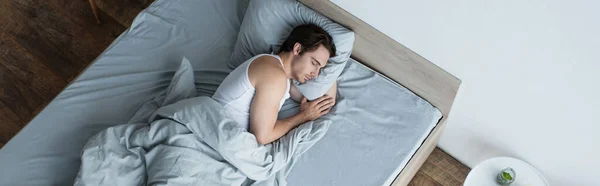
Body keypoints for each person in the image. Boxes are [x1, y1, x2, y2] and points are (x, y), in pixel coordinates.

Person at [212, 24, 337, 145]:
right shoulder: (274, 75)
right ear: (297, 49)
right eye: (314, 63)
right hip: (217, 134)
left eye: (320, 68)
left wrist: (333, 71)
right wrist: (303, 116)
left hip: (221, 132)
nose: (315, 74)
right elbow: (261, 137)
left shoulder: (282, 76)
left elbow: (326, 101)